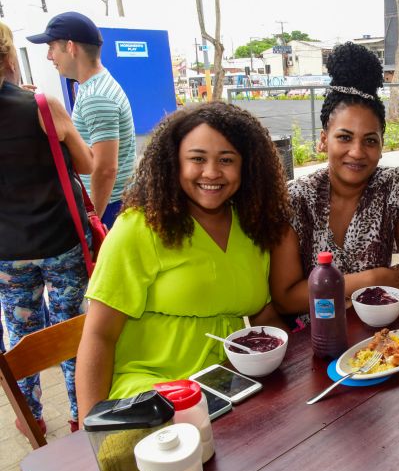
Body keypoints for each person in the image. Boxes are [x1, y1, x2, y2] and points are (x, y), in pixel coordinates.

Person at [75, 102, 291, 422]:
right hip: (152, 394)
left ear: (247, 166)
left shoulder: (251, 226)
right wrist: (91, 428)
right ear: (173, 162)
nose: (212, 172)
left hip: (228, 387)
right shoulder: (140, 227)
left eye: (227, 160)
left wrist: (293, 357)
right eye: (197, 159)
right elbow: (98, 336)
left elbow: (263, 311)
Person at [269, 42, 399, 322]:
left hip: (378, 330)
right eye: (344, 137)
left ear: (382, 146)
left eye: (370, 140)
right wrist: (373, 278)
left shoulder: (398, 187)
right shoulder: (294, 199)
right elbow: (286, 298)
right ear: (324, 140)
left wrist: (327, 290)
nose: (357, 152)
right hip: (311, 340)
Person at [0, 20, 93, 434]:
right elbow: (87, 164)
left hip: (8, 252)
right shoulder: (41, 106)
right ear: (7, 58)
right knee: (69, 329)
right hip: (61, 242)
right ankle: (79, 413)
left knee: (21, 337)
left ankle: (32, 417)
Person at [27, 11, 136, 227]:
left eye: (51, 48)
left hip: (108, 207)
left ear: (70, 47)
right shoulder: (95, 86)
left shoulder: (96, 96)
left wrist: (92, 219)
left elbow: (105, 169)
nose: (49, 56)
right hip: (113, 203)